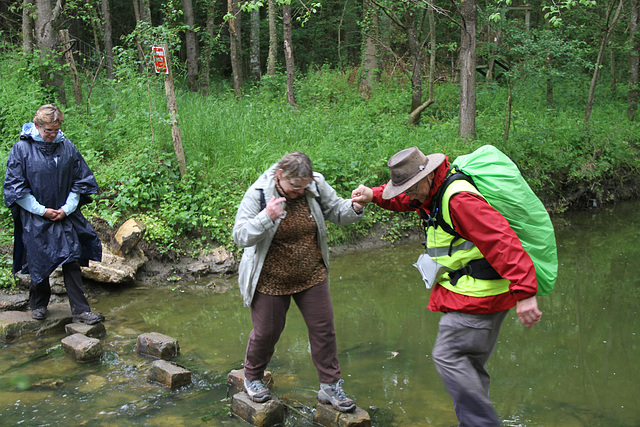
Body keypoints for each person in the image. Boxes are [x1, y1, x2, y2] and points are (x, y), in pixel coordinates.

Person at [351, 147, 543, 427]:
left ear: (426, 178)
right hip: (478, 291)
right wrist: (374, 194)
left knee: (448, 355)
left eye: (410, 188)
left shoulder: (459, 200)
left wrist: (525, 293)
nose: (407, 195)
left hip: (477, 296)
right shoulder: (433, 190)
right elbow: (407, 200)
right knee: (470, 365)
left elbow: (502, 241)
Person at [233, 151, 365, 412]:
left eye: (304, 187)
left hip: (311, 274)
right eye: (295, 187)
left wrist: (355, 207)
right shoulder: (259, 193)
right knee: (266, 333)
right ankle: (253, 377)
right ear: (280, 176)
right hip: (271, 279)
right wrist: (266, 217)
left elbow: (337, 211)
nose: (300, 192)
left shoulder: (313, 184)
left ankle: (330, 386)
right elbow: (240, 235)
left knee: (323, 330)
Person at [4, 104, 104, 325]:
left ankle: (80, 310)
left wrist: (66, 209)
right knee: (39, 260)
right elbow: (15, 187)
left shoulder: (67, 147)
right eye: (48, 130)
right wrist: (42, 210)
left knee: (71, 260)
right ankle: (39, 304)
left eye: (56, 130)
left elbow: (81, 180)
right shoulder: (21, 149)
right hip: (35, 216)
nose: (52, 135)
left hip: (63, 214)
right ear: (37, 125)